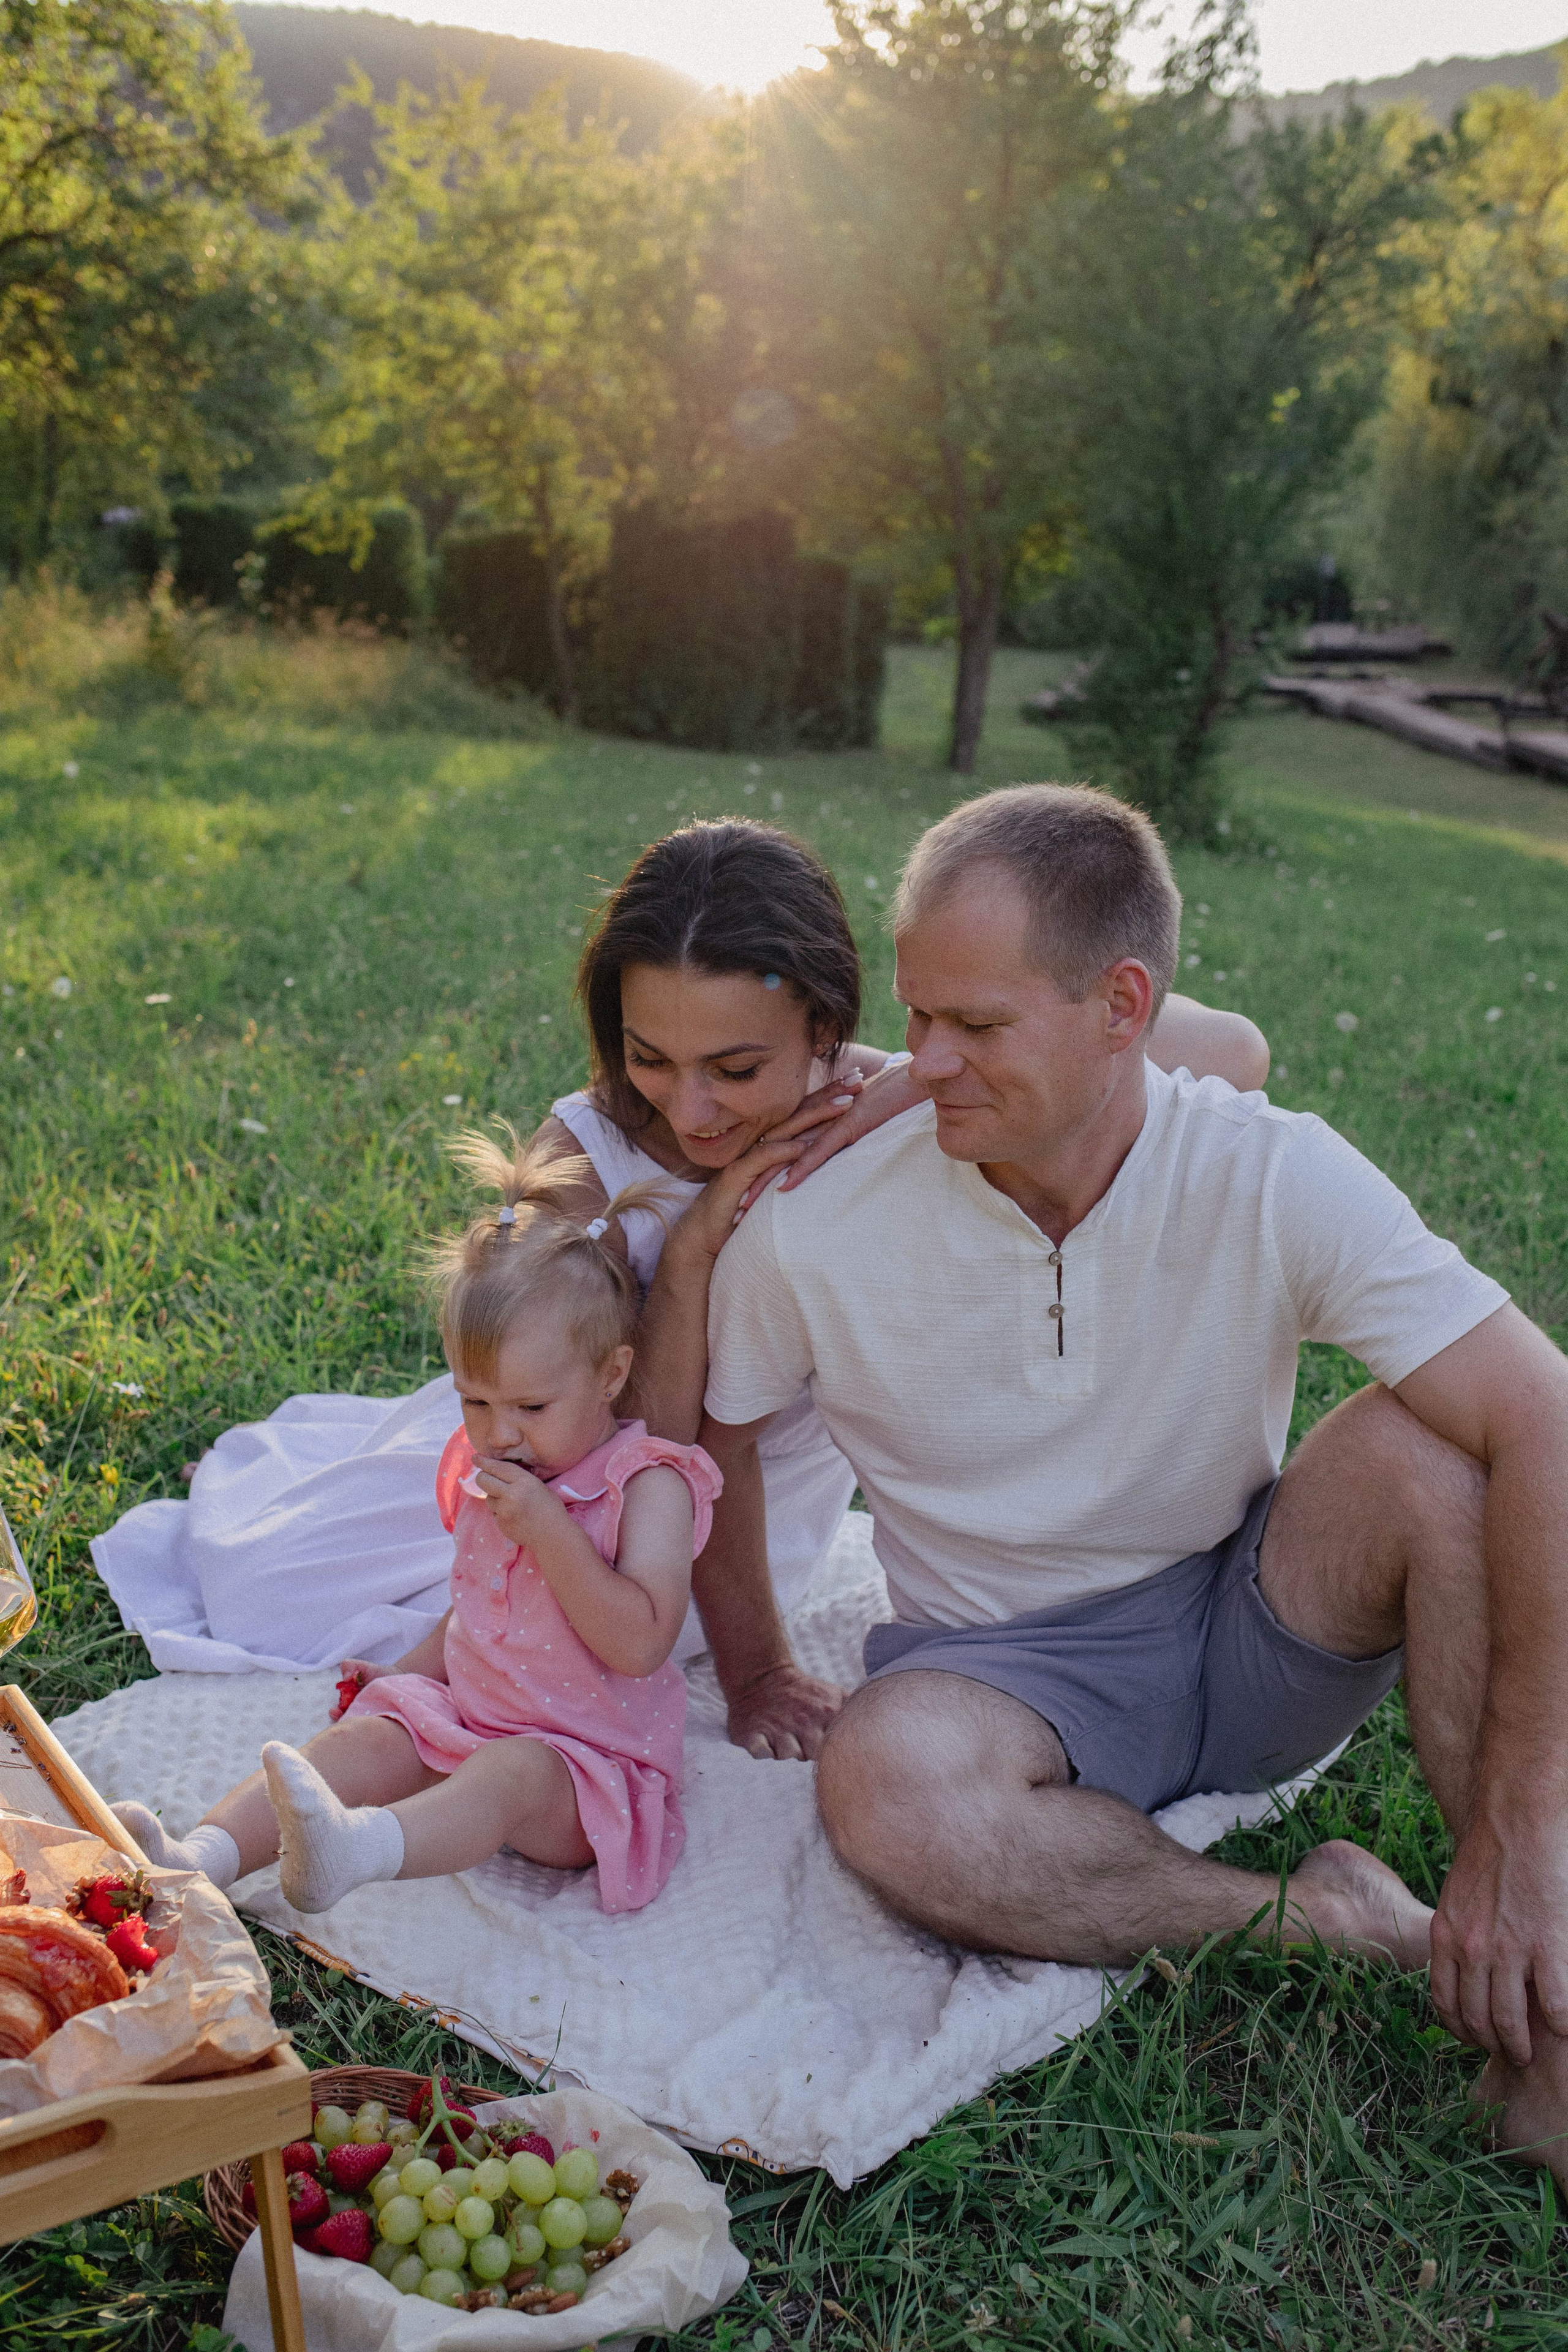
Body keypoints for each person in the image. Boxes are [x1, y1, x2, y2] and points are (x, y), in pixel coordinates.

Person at [696, 783, 1568, 2186]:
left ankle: (1533, 2008)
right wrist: (749, 1669)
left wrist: (1531, 1817)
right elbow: (715, 1439)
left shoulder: (1268, 1170)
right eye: (914, 1016)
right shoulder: (814, 1224)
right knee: (882, 1787)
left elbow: (1543, 1416)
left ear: (1120, 1006)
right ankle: (1341, 1918)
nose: (919, 1063)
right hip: (1000, 1674)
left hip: (1251, 1618)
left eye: (975, 1026)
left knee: (1435, 1445)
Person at [93, 821, 1269, 1762]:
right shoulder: (583, 1163)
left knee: (648, 1639)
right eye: (652, 1057)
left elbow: (1236, 1054)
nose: (691, 1110)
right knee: (300, 1589)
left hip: (752, 1524)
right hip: (573, 1481)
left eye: (738, 1067)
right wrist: (702, 1241)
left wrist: (916, 1071)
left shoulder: (920, 1098)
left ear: (824, 1018)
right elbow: (636, 1450)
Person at [116, 1132, 721, 1917]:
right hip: (470, 1717)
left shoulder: (647, 1487)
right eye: (475, 1400)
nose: (499, 1433)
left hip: (582, 1767)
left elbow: (640, 1643)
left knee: (509, 1774)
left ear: (612, 1375)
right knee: (365, 1740)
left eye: (531, 1407)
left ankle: (359, 1850)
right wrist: (407, 1673)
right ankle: (201, 1858)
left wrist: (551, 1532)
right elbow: (481, 1609)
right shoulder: (503, 1473)